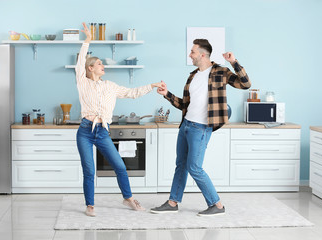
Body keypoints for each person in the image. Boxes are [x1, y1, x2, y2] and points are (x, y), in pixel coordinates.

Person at [151, 39, 251, 216]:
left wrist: (234, 62)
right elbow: (184, 104)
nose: (190, 55)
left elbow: (245, 84)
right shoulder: (193, 75)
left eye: (192, 52)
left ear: (202, 54)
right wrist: (167, 95)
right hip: (186, 125)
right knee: (180, 165)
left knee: (194, 167)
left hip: (201, 128)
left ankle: (217, 205)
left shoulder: (221, 71)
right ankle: (173, 202)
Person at [76, 22, 163, 217]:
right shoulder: (83, 83)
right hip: (84, 131)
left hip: (102, 131)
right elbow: (80, 61)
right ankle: (90, 205)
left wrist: (151, 85)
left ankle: (128, 198)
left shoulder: (110, 86)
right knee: (89, 170)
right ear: (90, 68)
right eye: (99, 64)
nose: (102, 66)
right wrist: (87, 41)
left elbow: (132, 93)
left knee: (120, 167)